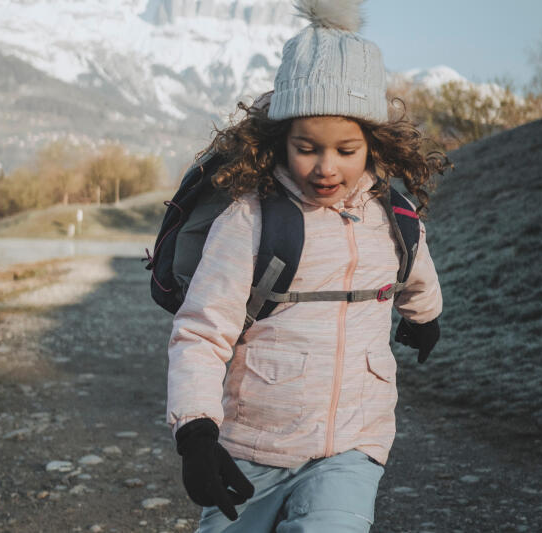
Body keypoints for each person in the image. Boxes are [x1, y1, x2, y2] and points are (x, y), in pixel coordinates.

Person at [167, 1, 445, 530]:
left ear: (373, 144)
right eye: (306, 147)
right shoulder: (250, 220)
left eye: (346, 149)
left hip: (353, 443)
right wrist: (196, 432)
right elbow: (202, 332)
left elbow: (416, 270)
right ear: (279, 141)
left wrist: (424, 316)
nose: (326, 167)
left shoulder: (392, 213)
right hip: (253, 443)